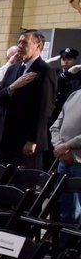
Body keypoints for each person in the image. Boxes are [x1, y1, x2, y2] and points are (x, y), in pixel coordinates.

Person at [0, 30, 57, 168]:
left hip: (27, 142)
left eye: (24, 43)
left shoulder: (45, 71)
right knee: (3, 183)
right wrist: (12, 87)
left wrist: (33, 139)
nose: (20, 46)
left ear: (38, 46)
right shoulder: (13, 69)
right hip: (7, 138)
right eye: (19, 42)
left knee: (23, 185)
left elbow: (45, 109)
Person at [50, 76, 81, 225]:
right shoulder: (74, 95)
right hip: (64, 160)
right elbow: (56, 125)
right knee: (64, 209)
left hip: (79, 162)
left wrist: (67, 145)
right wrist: (58, 145)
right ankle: (62, 245)